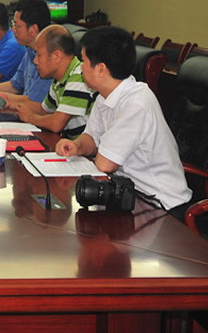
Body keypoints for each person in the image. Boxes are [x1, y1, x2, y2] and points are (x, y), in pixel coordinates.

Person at [55, 26, 192, 212]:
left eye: (84, 61)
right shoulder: (105, 96)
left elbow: (105, 164)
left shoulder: (137, 103)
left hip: (161, 205)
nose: (80, 67)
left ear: (101, 69)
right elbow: (92, 138)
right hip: (127, 193)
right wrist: (77, 146)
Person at [8, 25, 96, 137]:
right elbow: (44, 110)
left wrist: (31, 118)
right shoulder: (59, 79)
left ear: (56, 56)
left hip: (81, 146)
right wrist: (11, 106)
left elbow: (56, 124)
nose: (35, 61)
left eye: (39, 55)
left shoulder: (79, 77)